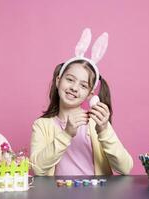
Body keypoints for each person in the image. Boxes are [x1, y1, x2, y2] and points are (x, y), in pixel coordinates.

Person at [30, 28, 133, 176]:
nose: (74, 88)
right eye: (70, 79)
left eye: (83, 85)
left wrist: (104, 129)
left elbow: (125, 168)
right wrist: (67, 134)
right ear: (58, 81)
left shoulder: (95, 123)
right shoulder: (41, 125)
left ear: (90, 94)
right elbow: (37, 169)